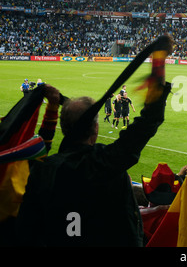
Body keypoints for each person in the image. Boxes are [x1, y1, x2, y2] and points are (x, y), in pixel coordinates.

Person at [15, 79, 173, 246]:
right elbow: (145, 125)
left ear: (64, 127)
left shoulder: (43, 170)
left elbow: (26, 228)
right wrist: (159, 72)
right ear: (95, 129)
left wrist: (53, 106)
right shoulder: (107, 163)